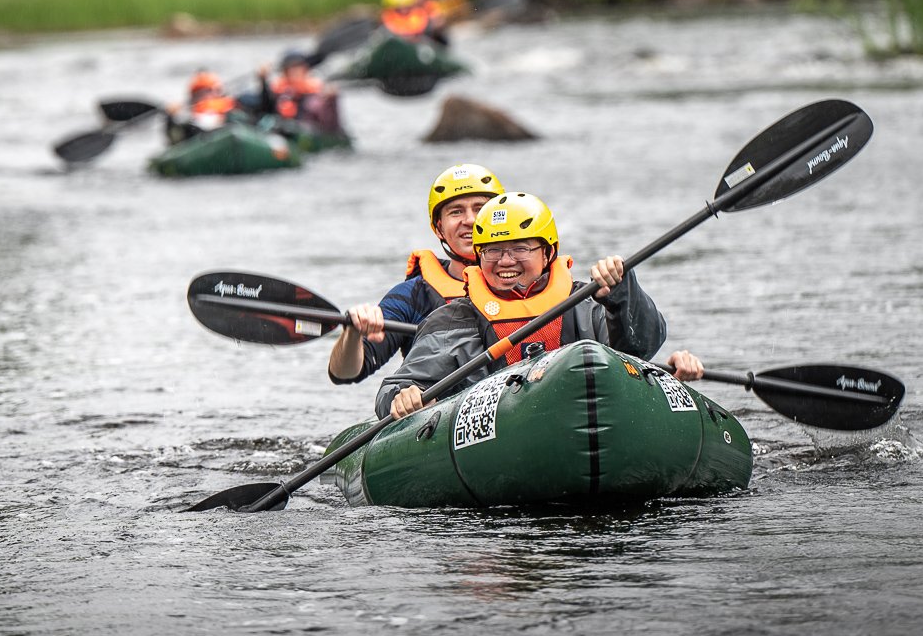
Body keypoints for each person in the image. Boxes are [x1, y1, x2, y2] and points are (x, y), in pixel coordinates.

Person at [375, 191, 704, 420]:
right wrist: (405, 396)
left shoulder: (588, 302)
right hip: (500, 439)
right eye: (492, 250)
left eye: (520, 248)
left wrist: (623, 291)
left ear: (548, 253)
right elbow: (393, 389)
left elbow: (640, 349)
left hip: (589, 416)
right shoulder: (453, 319)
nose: (505, 261)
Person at [328, 163, 506, 384]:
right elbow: (344, 374)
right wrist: (352, 332)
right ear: (439, 227)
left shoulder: (531, 281)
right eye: (456, 211)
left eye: (480, 208)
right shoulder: (413, 295)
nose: (470, 220)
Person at [257, 50, 338, 131]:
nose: (295, 72)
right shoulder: (280, 91)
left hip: (306, 130)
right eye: (291, 69)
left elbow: (327, 119)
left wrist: (331, 100)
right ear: (286, 72)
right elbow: (267, 108)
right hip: (283, 129)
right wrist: (263, 80)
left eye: (298, 68)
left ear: (305, 70)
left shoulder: (315, 93)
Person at [165, 70, 239, 143]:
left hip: (227, 131)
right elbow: (175, 138)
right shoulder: (189, 117)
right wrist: (170, 117)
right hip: (203, 138)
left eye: (208, 91)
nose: (205, 96)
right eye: (199, 94)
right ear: (193, 97)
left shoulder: (230, 104)